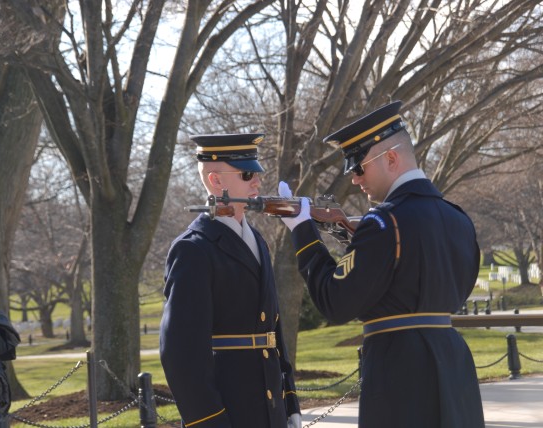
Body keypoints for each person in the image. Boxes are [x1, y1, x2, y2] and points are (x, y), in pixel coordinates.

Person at [278, 101, 485, 428]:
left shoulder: (384, 221)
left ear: (391, 158)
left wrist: (302, 231)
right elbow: (444, 288)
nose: (356, 179)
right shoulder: (458, 218)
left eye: (358, 167)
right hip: (453, 366)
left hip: (400, 373)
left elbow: (335, 302)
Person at [160, 133, 301, 428]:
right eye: (247, 174)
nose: (257, 182)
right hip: (229, 413)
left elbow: (274, 334)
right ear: (215, 181)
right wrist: (209, 421)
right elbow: (181, 354)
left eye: (257, 173)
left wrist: (290, 405)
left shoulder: (258, 241)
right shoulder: (193, 249)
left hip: (269, 412)